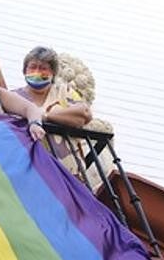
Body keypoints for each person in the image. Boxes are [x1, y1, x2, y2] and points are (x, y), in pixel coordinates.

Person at [12, 46, 104, 186]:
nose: (37, 72)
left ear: (53, 73)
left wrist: (45, 116)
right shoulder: (14, 97)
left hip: (68, 172)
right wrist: (63, 116)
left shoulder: (63, 91)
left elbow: (83, 115)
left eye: (43, 68)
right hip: (28, 172)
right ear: (25, 70)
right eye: (33, 67)